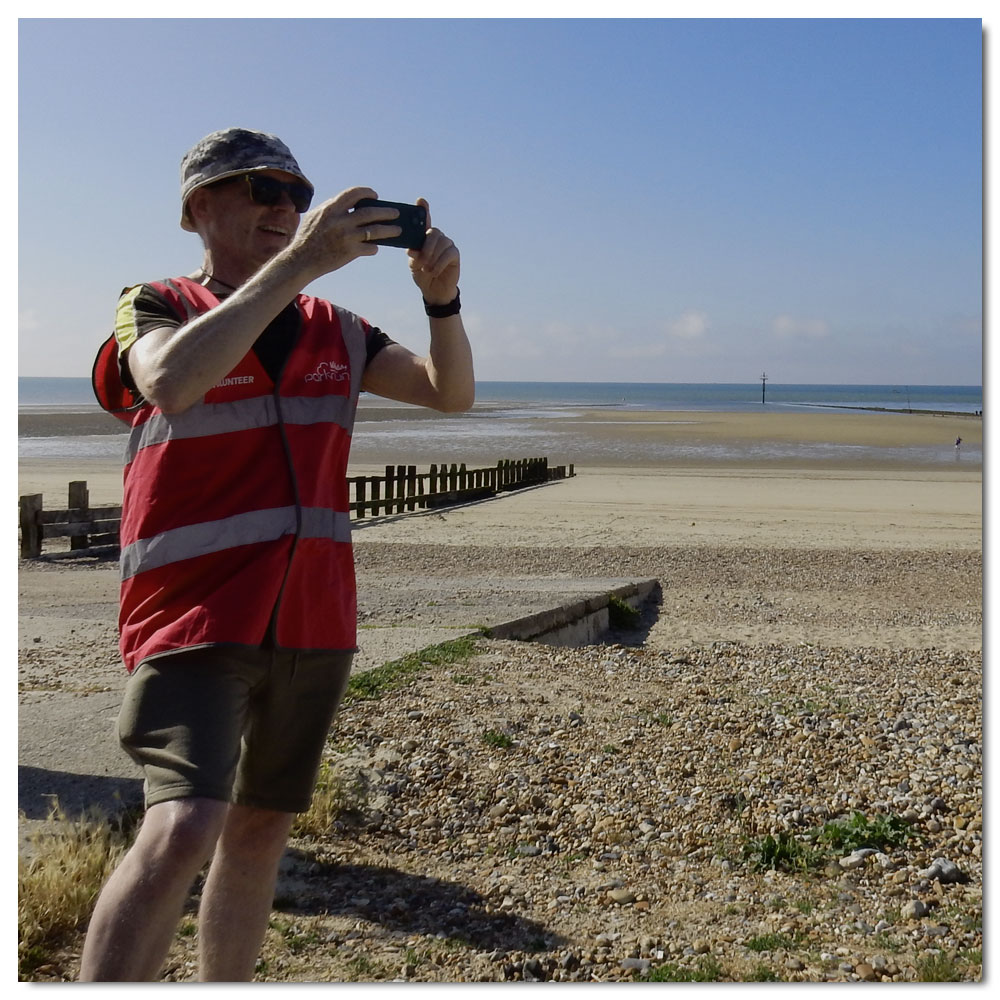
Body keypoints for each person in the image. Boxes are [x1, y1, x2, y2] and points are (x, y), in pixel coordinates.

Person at [81, 127, 474, 981]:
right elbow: (170, 383)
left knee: (259, 828)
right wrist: (300, 261)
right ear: (200, 208)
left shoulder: (337, 327)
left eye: (297, 193)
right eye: (262, 190)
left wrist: (442, 300)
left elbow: (451, 395)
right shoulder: (156, 304)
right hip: (191, 611)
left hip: (311, 616)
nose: (286, 207)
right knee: (184, 825)